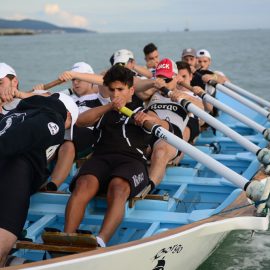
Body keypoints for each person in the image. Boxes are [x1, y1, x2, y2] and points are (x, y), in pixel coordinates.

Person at [64, 65, 167, 248]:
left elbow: (164, 127)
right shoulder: (104, 112)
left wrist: (149, 121)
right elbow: (80, 121)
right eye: (112, 90)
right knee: (83, 183)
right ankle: (66, 238)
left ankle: (100, 241)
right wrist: (110, 106)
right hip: (101, 159)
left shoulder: (143, 112)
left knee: (118, 187)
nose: (116, 94)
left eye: (120, 89)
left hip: (132, 162)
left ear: (131, 90)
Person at [0, 93, 79, 267]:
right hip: (14, 174)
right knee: (3, 243)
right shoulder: (54, 118)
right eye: (68, 126)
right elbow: (26, 134)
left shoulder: (15, 113)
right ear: (68, 115)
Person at [40, 62, 111, 191]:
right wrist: (41, 89)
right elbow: (43, 98)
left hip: (89, 134)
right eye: (73, 80)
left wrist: (76, 74)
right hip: (66, 132)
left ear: (89, 80)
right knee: (49, 138)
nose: (75, 83)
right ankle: (35, 176)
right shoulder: (69, 98)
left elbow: (106, 80)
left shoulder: (101, 96)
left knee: (68, 144)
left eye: (79, 79)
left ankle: (53, 185)